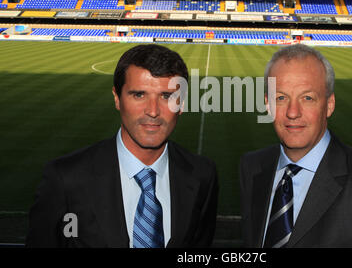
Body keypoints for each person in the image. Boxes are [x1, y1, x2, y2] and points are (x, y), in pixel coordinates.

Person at [26, 44, 218, 248]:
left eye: (166, 96)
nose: (152, 111)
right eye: (139, 95)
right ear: (117, 98)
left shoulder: (203, 175)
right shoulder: (65, 179)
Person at [239, 44, 352, 248]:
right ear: (267, 104)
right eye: (281, 98)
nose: (292, 112)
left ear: (329, 105)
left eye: (307, 98)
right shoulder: (252, 166)